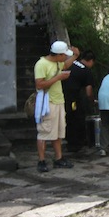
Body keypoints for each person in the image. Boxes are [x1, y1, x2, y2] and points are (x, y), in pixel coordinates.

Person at [34, 40, 79, 173]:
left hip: (59, 101)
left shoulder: (58, 63)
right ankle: (41, 160)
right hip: (48, 102)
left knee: (58, 132)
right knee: (44, 131)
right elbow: (39, 84)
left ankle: (58, 158)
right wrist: (58, 78)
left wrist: (75, 56)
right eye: (64, 55)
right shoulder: (41, 64)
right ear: (58, 55)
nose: (65, 57)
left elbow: (65, 65)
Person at [62, 49, 95, 152]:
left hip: (63, 95)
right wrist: (91, 100)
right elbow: (88, 91)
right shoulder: (86, 70)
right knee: (77, 119)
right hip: (75, 98)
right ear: (91, 61)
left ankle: (69, 141)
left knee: (68, 119)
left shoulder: (71, 64)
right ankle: (77, 143)